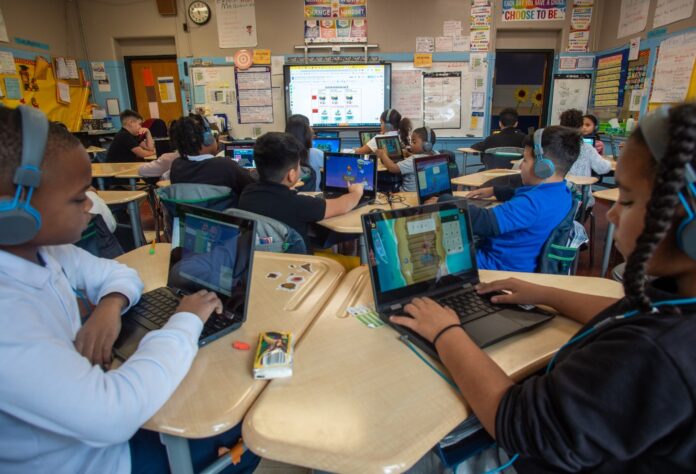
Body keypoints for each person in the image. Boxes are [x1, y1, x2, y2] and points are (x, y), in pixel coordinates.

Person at [390, 104, 696, 472]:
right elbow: (632, 315)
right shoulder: (676, 301)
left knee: (400, 453)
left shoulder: (658, 352)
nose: (612, 214)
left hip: (521, 456)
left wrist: (445, 332)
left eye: (627, 199)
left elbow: (518, 424)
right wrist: (547, 294)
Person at [0, 106, 259, 473]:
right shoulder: (9, 319)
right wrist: (184, 321)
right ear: (13, 207)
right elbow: (112, 415)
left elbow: (120, 275)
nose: (90, 205)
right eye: (78, 197)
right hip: (95, 460)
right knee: (246, 432)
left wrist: (110, 306)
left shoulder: (45, 251)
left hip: (89, 433)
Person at [456, 126, 580, 272]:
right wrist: (495, 191)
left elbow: (484, 222)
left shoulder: (532, 203)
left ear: (543, 167)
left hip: (495, 267)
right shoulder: (563, 191)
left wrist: (446, 202)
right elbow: (522, 195)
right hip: (524, 263)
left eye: (525, 160)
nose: (520, 165)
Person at [238, 132, 363, 250]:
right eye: (298, 166)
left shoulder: (246, 193)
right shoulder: (298, 204)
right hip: (300, 260)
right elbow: (342, 206)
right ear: (291, 175)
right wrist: (356, 193)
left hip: (261, 258)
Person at [169, 116, 255, 197]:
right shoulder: (225, 166)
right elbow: (253, 186)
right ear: (207, 139)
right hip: (226, 208)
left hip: (189, 208)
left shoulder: (176, 166)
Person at [377, 126, 437, 192]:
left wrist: (383, 154)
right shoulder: (436, 154)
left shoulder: (414, 160)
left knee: (379, 182)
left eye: (414, 142)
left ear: (427, 145)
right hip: (424, 191)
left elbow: (393, 168)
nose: (411, 145)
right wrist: (408, 154)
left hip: (406, 193)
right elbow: (422, 157)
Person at [285, 114, 322, 191]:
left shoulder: (282, 152)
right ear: (307, 132)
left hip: (288, 195)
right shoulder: (315, 153)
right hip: (313, 195)